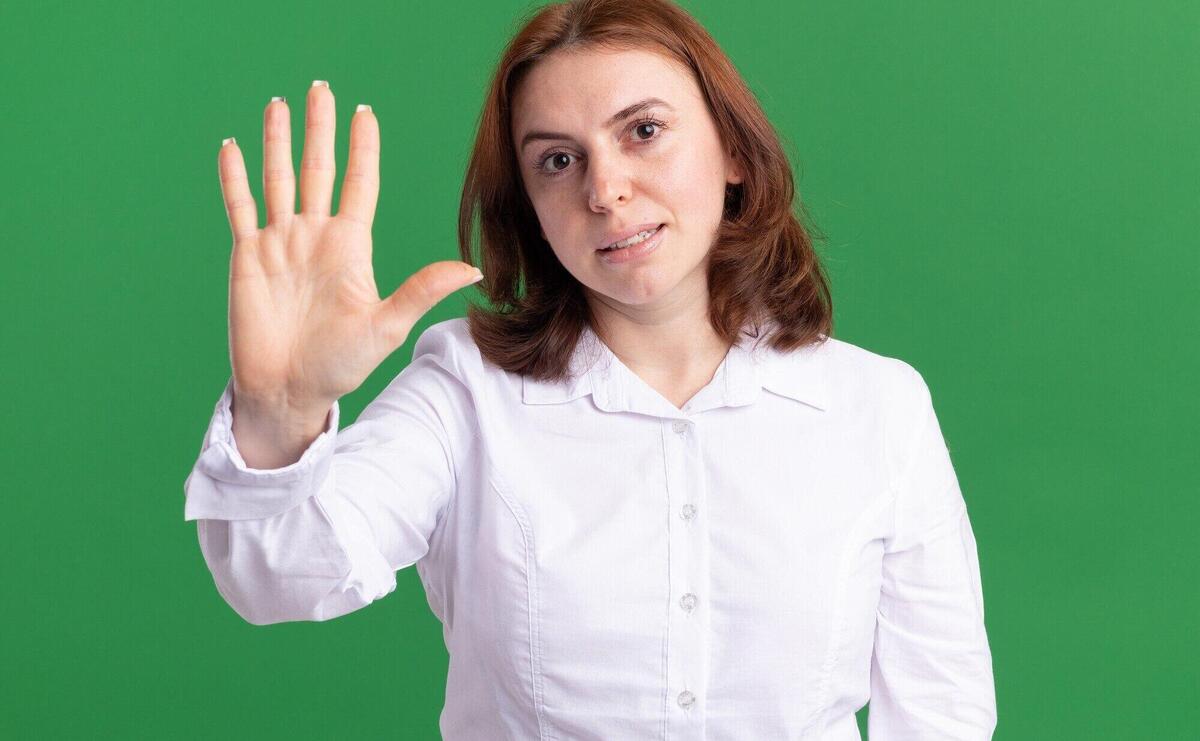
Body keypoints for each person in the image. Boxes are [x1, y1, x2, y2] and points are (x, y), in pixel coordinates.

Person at [183, 0, 997, 737]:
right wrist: (280, 409)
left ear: (733, 153)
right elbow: (281, 576)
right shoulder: (465, 390)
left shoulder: (877, 407)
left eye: (643, 130)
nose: (606, 190)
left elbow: (943, 714)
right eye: (558, 161)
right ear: (532, 209)